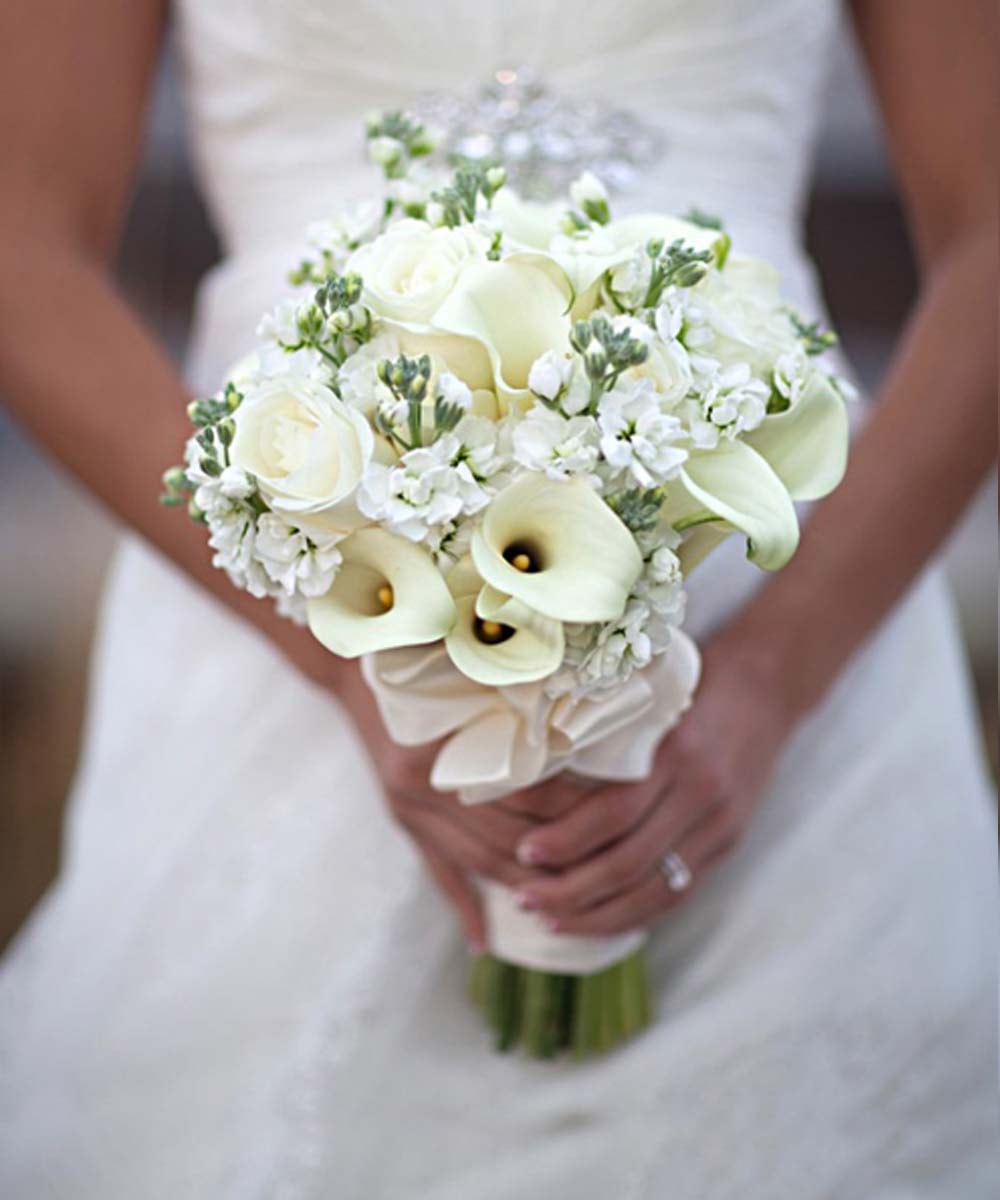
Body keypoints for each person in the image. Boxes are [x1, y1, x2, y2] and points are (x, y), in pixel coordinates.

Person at [0, 1, 996, 1196]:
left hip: (801, 651)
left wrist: (774, 680)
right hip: (282, 630)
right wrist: (347, 653)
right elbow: (22, 237)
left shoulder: (785, 679)